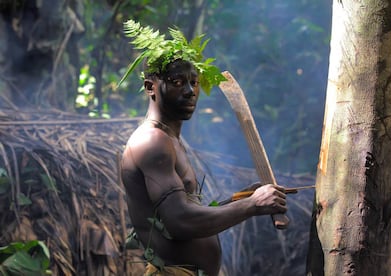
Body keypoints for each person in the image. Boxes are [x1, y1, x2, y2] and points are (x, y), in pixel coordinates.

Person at [120, 21, 287, 276]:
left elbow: (184, 212)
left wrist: (238, 199)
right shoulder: (152, 142)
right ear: (150, 87)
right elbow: (180, 222)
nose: (190, 92)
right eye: (177, 82)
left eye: (194, 82)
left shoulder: (169, 139)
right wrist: (252, 205)